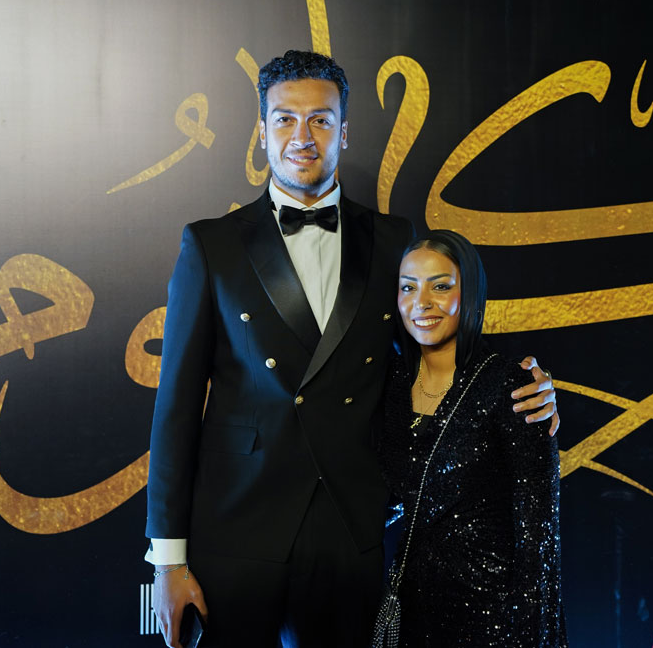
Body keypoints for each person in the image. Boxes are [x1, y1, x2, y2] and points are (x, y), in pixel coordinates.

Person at [145, 50, 559, 648]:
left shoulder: (391, 238)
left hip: (351, 527)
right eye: (285, 119)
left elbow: (433, 342)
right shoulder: (210, 245)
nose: (302, 137)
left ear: (345, 131)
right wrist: (168, 560)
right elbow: (176, 408)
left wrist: (520, 383)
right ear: (261, 131)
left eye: (321, 120)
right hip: (237, 527)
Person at [377, 230, 566, 646]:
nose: (421, 302)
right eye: (408, 287)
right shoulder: (387, 385)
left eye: (440, 286)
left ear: (472, 294)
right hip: (411, 610)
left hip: (492, 616)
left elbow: (539, 534)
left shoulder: (513, 386)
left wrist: (529, 633)